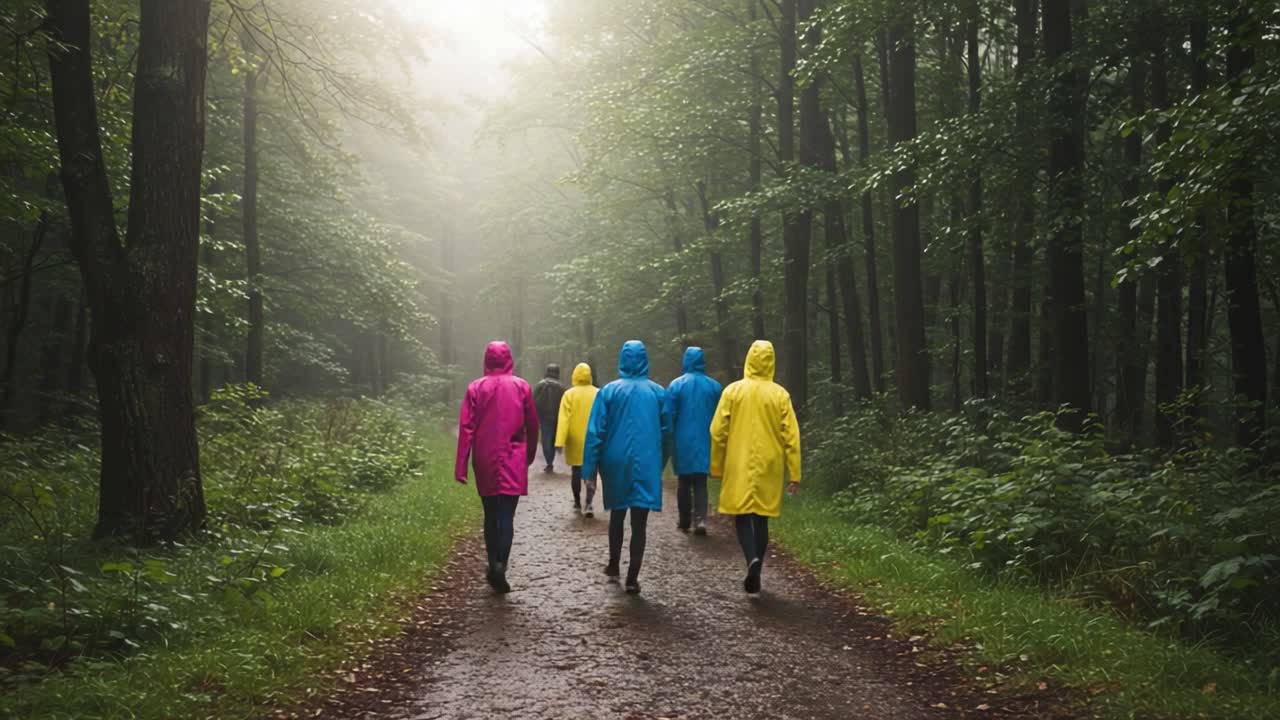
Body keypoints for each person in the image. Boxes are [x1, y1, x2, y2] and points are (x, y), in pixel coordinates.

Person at [711, 340, 801, 595]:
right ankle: (757, 569)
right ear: (772, 361)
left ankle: (751, 559)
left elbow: (717, 431)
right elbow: (791, 437)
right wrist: (794, 473)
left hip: (739, 461)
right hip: (769, 464)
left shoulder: (733, 391)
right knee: (761, 517)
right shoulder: (780, 394)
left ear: (749, 359)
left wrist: (717, 465)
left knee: (741, 516)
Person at [582, 340, 670, 594]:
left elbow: (595, 432)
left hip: (615, 459)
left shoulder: (609, 391)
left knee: (618, 514)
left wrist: (590, 468)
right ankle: (633, 575)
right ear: (645, 359)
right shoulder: (657, 392)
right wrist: (660, 461)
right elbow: (666, 432)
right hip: (647, 460)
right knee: (640, 521)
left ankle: (613, 564)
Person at [455, 341, 539, 594]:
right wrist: (530, 455)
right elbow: (532, 425)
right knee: (507, 515)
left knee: (490, 513)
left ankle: (492, 562)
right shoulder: (521, 386)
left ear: (487, 359)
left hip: (484, 457)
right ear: (509, 359)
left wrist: (461, 466)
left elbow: (466, 429)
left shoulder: (475, 388)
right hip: (513, 455)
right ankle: (501, 564)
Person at [664, 346, 722, 536]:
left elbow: (669, 415)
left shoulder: (676, 385)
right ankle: (701, 520)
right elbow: (720, 415)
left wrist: (668, 438)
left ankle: (684, 520)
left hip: (682, 439)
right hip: (706, 437)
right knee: (700, 481)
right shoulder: (714, 386)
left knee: (684, 481)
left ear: (686, 361)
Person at [554, 362, 600, 515]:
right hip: (594, 439)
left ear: (574, 376)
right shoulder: (598, 393)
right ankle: (589, 502)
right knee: (591, 471)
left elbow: (564, 419)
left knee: (576, 471)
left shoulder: (569, 394)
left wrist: (560, 441)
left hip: (575, 440)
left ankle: (576, 502)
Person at [533, 364, 566, 473]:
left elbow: (533, 401)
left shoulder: (540, 385)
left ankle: (549, 462)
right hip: (558, 416)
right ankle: (555, 452)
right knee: (554, 438)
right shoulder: (562, 387)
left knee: (546, 437)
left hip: (544, 416)